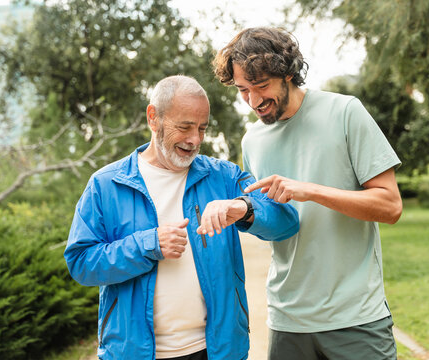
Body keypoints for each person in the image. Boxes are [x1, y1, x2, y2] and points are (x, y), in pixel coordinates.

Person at [64, 75, 299, 360]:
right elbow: (80, 263)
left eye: (202, 128)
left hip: (217, 351)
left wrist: (243, 207)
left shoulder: (223, 176)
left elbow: (286, 220)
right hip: (132, 353)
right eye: (185, 127)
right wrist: (147, 245)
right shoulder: (106, 185)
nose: (195, 140)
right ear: (154, 118)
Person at [213, 27, 403, 360]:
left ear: (288, 72)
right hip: (288, 321)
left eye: (261, 86)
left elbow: (390, 206)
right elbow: (276, 222)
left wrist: (311, 191)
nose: (254, 101)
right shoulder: (252, 141)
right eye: (243, 90)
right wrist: (246, 212)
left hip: (356, 319)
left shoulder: (345, 113)